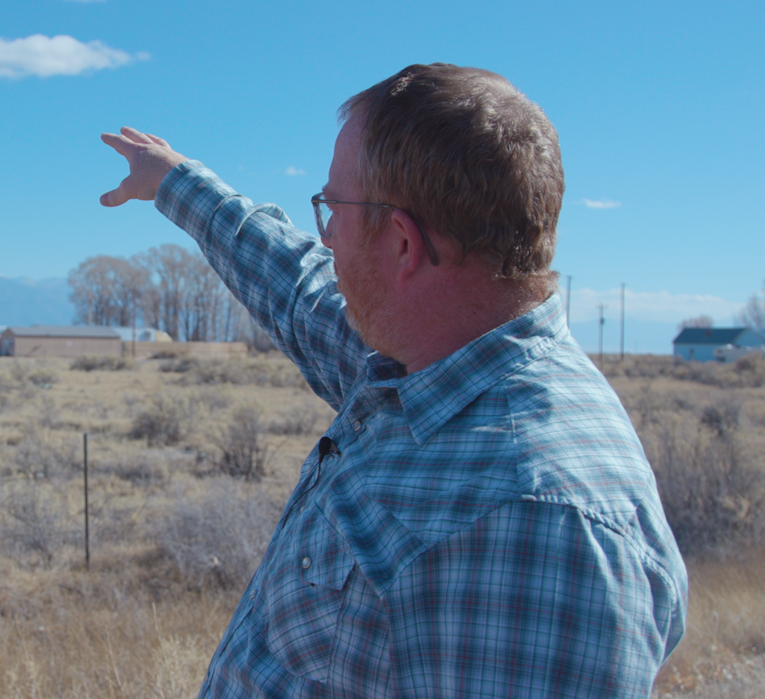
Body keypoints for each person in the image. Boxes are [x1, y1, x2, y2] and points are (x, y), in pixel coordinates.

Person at [99, 63, 686, 698]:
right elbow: (297, 287)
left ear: (403, 244)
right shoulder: (428, 362)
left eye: (333, 211)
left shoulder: (532, 524)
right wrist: (175, 181)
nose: (326, 238)